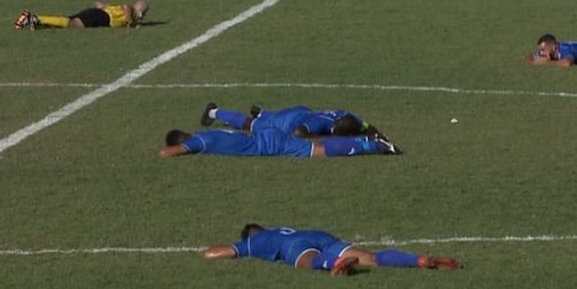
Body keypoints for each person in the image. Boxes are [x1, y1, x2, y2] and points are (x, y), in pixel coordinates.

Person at [203, 224, 461, 276]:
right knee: (371, 258)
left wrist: (238, 246)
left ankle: (333, 264)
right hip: (317, 234)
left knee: (309, 261)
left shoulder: (256, 241)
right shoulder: (282, 228)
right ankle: (417, 259)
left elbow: (212, 253)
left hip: (294, 247)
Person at [159, 126, 401, 158]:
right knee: (316, 141)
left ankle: (375, 145)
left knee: (316, 151)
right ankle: (365, 139)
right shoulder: (207, 134)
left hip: (268, 146)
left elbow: (166, 153)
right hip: (266, 134)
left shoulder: (198, 142)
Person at [200, 103, 389, 141]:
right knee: (252, 126)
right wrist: (321, 140)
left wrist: (379, 137)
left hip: (301, 111)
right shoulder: (322, 126)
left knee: (272, 118)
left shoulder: (349, 116)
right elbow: (298, 134)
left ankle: (263, 112)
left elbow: (367, 127)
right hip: (291, 121)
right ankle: (214, 112)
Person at [13, 0, 149, 30]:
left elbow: (98, 3)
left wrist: (105, 6)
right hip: (100, 17)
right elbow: (127, 7)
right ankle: (37, 18)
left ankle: (35, 21)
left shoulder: (115, 9)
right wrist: (132, 22)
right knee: (71, 24)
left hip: (98, 14)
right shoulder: (129, 11)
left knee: (68, 22)